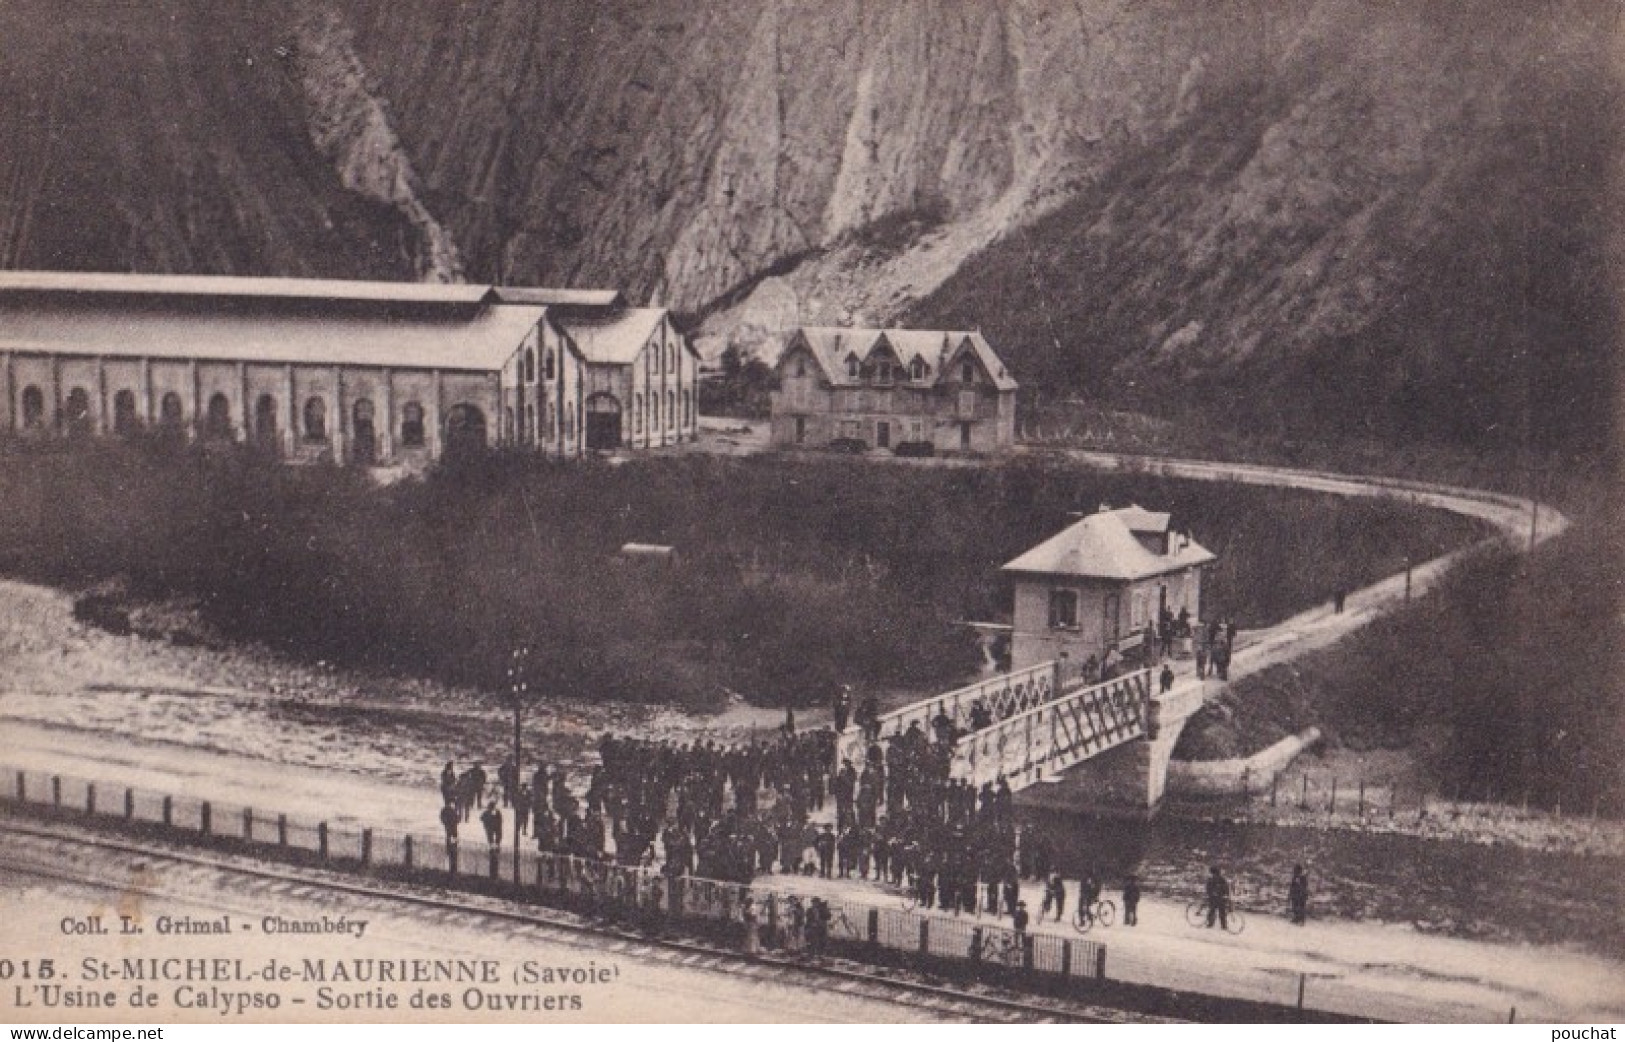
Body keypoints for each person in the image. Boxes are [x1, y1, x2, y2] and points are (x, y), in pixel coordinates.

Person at [1205, 866, 1231, 930]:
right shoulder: (1222, 878)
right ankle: (1224, 926)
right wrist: (1227, 895)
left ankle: (1210, 923)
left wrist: (1210, 894)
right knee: (1222, 912)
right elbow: (1226, 887)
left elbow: (1208, 888)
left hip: (1214, 898)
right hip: (1222, 898)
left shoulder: (1211, 879)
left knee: (1212, 910)